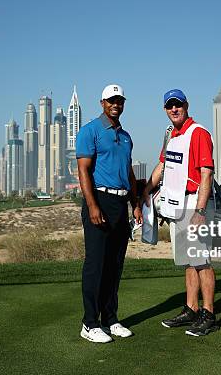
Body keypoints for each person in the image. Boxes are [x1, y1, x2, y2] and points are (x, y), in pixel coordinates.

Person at [140, 89, 217, 337]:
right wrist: (146, 190)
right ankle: (191, 309)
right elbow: (162, 166)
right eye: (169, 105)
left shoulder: (199, 133)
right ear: (165, 109)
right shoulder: (171, 135)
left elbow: (207, 174)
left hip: (195, 203)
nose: (174, 109)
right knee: (187, 260)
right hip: (176, 204)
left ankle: (209, 314)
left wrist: (200, 211)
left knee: (202, 261)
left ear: (186, 105)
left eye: (178, 104)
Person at [76, 84, 142, 343]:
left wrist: (135, 203)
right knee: (96, 265)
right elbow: (83, 171)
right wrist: (92, 206)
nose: (116, 104)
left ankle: (110, 319)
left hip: (120, 204)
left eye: (120, 100)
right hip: (99, 200)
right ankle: (89, 323)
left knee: (115, 265)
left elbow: (128, 172)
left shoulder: (125, 136)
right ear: (102, 103)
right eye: (111, 100)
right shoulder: (90, 130)